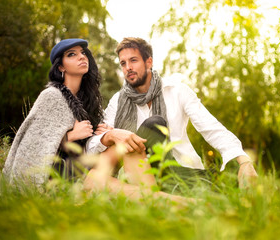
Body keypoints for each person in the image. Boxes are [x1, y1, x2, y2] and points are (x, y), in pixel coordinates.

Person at [2, 38, 188, 203]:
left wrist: (106, 133)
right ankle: (180, 204)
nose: (82, 57)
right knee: (121, 159)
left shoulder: (90, 104)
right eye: (72, 54)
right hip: (63, 180)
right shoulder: (51, 96)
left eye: (83, 53)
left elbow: (92, 146)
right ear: (61, 66)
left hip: (89, 170)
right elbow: (33, 145)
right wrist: (68, 137)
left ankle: (155, 202)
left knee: (128, 142)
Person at [87, 37, 258, 190]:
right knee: (154, 125)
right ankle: (189, 186)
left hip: (183, 169)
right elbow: (94, 144)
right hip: (138, 175)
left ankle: (192, 184)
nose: (128, 68)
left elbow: (210, 127)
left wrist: (243, 160)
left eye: (133, 60)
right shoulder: (118, 101)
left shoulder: (177, 91)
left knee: (229, 180)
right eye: (123, 63)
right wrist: (110, 135)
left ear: (149, 62)